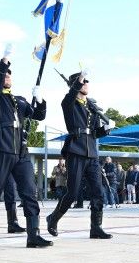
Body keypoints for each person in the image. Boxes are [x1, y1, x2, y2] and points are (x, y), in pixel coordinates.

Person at [0, 45, 50, 247]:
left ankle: (33, 234)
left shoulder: (20, 100)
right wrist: (3, 62)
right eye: (4, 74)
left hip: (20, 151)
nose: (7, 76)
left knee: (30, 193)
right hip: (0, 149)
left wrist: (40, 100)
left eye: (9, 74)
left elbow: (38, 115)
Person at [44, 70, 113, 239]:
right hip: (76, 149)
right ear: (77, 84)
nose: (87, 84)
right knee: (73, 192)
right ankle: (53, 218)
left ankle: (96, 227)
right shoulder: (69, 103)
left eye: (87, 81)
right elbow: (71, 94)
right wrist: (78, 80)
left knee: (98, 192)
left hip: (91, 153)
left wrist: (106, 128)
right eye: (84, 81)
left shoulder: (91, 107)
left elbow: (95, 132)